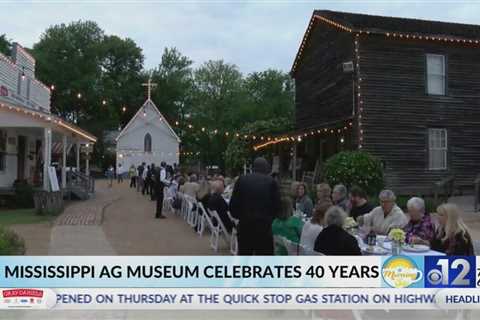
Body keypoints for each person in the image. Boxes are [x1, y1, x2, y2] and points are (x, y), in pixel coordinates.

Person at [229, 157, 281, 255]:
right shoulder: (271, 182)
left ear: (253, 168)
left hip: (245, 226)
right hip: (264, 228)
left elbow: (233, 206)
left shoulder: (241, 180)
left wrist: (241, 217)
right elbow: (277, 206)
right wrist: (269, 218)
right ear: (266, 168)